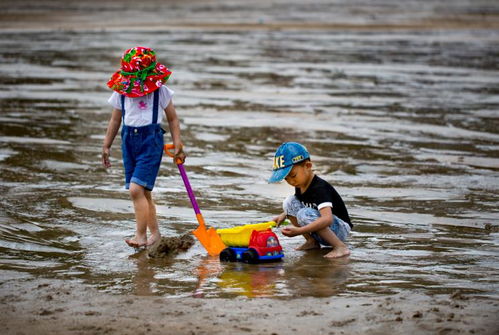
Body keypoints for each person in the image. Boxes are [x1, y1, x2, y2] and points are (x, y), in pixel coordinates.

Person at [102, 46, 185, 248]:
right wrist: (106, 145)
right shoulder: (121, 93)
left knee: (135, 189)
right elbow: (115, 121)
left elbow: (172, 119)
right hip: (128, 141)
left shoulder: (161, 92)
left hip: (151, 142)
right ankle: (155, 234)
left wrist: (178, 142)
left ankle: (140, 235)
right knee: (144, 192)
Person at [269, 142, 352, 258]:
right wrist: (284, 215)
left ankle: (340, 247)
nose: (291, 182)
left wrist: (300, 231)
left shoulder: (319, 188)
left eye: (293, 176)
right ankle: (312, 242)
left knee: (304, 214)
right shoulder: (300, 185)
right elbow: (299, 203)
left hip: (339, 229)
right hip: (321, 225)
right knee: (289, 202)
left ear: (308, 166)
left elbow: (327, 219)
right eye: (286, 179)